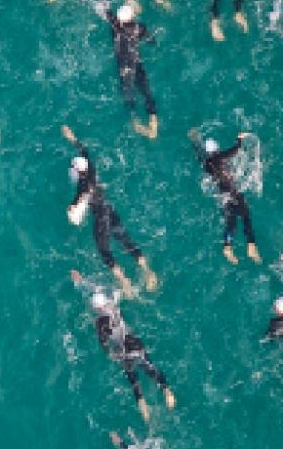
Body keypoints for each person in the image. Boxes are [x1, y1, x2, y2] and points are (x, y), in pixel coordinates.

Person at [63, 126, 156, 297]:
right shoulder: (91, 171)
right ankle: (149, 272)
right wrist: (73, 138)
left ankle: (125, 282)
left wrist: (72, 207)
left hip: (100, 216)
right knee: (126, 241)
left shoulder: (82, 186)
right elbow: (85, 152)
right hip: (109, 209)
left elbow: (79, 201)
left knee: (105, 252)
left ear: (77, 171)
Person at [77, 282, 175, 422]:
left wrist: (110, 354)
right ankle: (167, 391)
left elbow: (104, 344)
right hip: (135, 344)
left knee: (135, 382)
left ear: (97, 308)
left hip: (124, 353)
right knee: (150, 368)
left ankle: (145, 412)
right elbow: (116, 291)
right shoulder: (114, 306)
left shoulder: (100, 323)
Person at [189, 130, 260, 264]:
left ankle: (227, 246)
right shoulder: (220, 157)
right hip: (233, 193)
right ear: (216, 150)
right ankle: (251, 245)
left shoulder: (206, 164)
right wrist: (239, 139)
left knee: (231, 221)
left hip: (223, 196)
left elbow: (199, 154)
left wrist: (195, 142)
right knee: (245, 216)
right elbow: (235, 150)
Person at [104, 5, 158, 139]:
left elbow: (105, 9)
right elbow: (152, 41)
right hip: (136, 64)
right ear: (132, 17)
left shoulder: (115, 26)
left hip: (124, 69)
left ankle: (135, 122)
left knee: (129, 96)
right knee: (147, 92)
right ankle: (153, 121)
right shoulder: (139, 28)